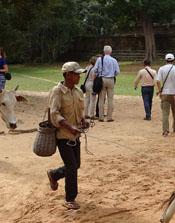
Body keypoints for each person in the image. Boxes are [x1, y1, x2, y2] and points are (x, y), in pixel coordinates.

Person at [47, 62, 90, 210]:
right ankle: (70, 198)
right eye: (77, 74)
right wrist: (69, 126)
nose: (79, 76)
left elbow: (80, 110)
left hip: (75, 135)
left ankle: (54, 174)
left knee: (76, 164)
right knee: (72, 166)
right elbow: (54, 113)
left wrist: (83, 120)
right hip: (63, 135)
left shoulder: (78, 91)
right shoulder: (57, 91)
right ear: (68, 75)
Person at [156, 53, 175, 136]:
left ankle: (165, 130)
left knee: (165, 113)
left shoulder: (161, 69)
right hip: (174, 93)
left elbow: (158, 81)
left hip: (165, 93)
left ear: (165, 60)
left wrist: (159, 91)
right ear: (173, 60)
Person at [93, 45, 120, 122]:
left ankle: (101, 117)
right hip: (111, 79)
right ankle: (109, 117)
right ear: (110, 52)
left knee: (101, 98)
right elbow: (117, 72)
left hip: (102, 79)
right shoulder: (114, 60)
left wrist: (100, 72)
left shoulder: (99, 59)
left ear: (104, 51)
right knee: (110, 99)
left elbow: (95, 70)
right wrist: (112, 74)